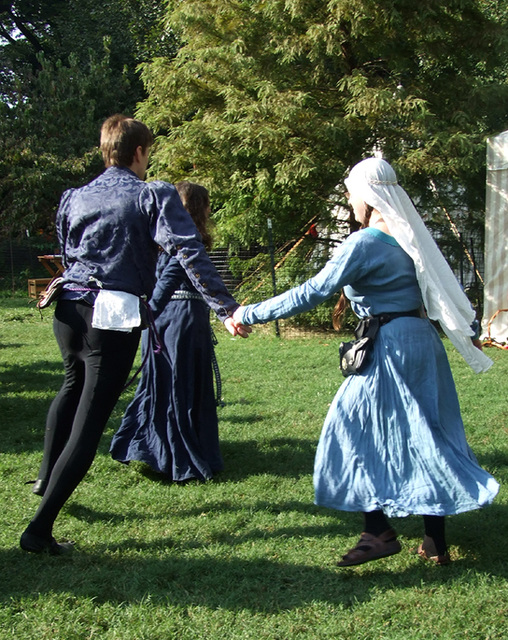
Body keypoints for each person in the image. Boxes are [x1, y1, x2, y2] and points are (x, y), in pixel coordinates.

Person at [233, 157, 499, 567]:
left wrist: (247, 313)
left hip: (390, 345)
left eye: (351, 192)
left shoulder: (365, 243)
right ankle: (434, 543)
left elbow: (312, 291)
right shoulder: (412, 236)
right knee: (425, 433)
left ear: (369, 195)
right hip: (424, 343)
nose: (348, 198)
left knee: (350, 425)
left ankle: (378, 531)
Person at [21, 114, 249, 555]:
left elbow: (69, 252)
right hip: (110, 317)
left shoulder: (74, 196)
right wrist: (226, 307)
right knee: (89, 423)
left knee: (70, 388)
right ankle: (38, 530)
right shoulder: (152, 193)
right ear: (140, 152)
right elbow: (188, 250)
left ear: (106, 150)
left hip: (67, 309)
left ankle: (46, 480)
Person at [110, 181, 224, 481]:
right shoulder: (186, 242)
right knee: (178, 386)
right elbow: (168, 279)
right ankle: (175, 457)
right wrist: (149, 314)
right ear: (200, 208)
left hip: (166, 321)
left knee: (167, 385)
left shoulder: (159, 239)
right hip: (177, 322)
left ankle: (155, 449)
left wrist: (147, 316)